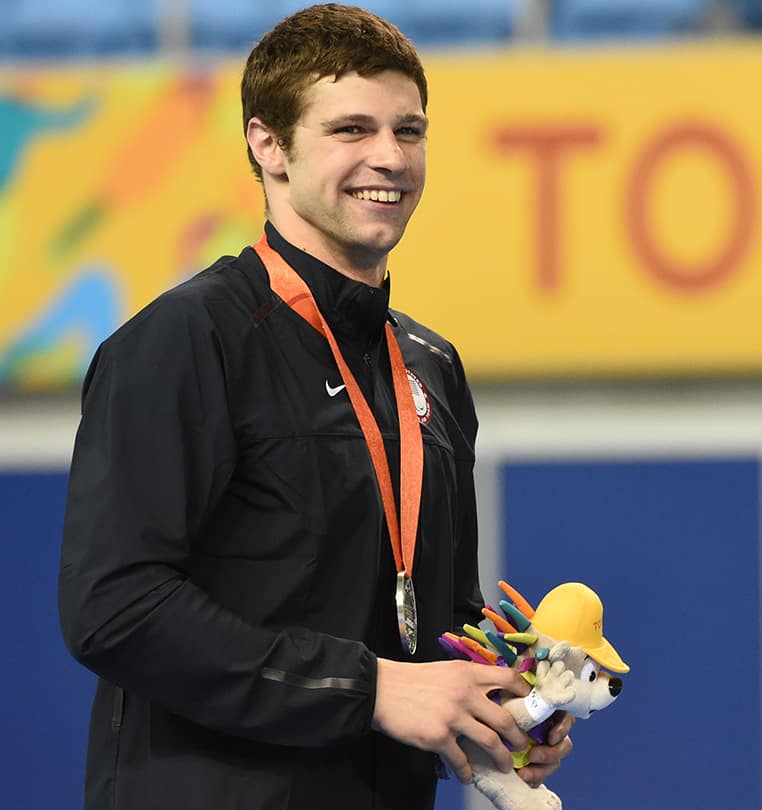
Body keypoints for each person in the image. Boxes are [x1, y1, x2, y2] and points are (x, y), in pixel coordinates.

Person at [57, 5, 572, 808]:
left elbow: (422, 623)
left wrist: (495, 710)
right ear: (269, 146)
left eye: (409, 129)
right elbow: (115, 608)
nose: (389, 157)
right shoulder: (184, 343)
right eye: (352, 130)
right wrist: (368, 690)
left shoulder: (430, 366)